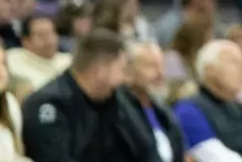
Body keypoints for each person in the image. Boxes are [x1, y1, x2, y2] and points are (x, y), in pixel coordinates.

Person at [22, 29, 164, 162]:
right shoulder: (49, 105)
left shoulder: (116, 98)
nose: (126, 78)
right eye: (122, 69)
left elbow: (147, 150)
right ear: (100, 70)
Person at [174, 38, 242, 161]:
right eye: (234, 63)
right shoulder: (188, 110)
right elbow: (216, 157)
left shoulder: (238, 109)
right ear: (210, 70)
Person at [4, 14, 65, 96]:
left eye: (52, 33)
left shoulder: (69, 60)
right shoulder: (11, 58)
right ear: (26, 41)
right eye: (42, 35)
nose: (50, 40)